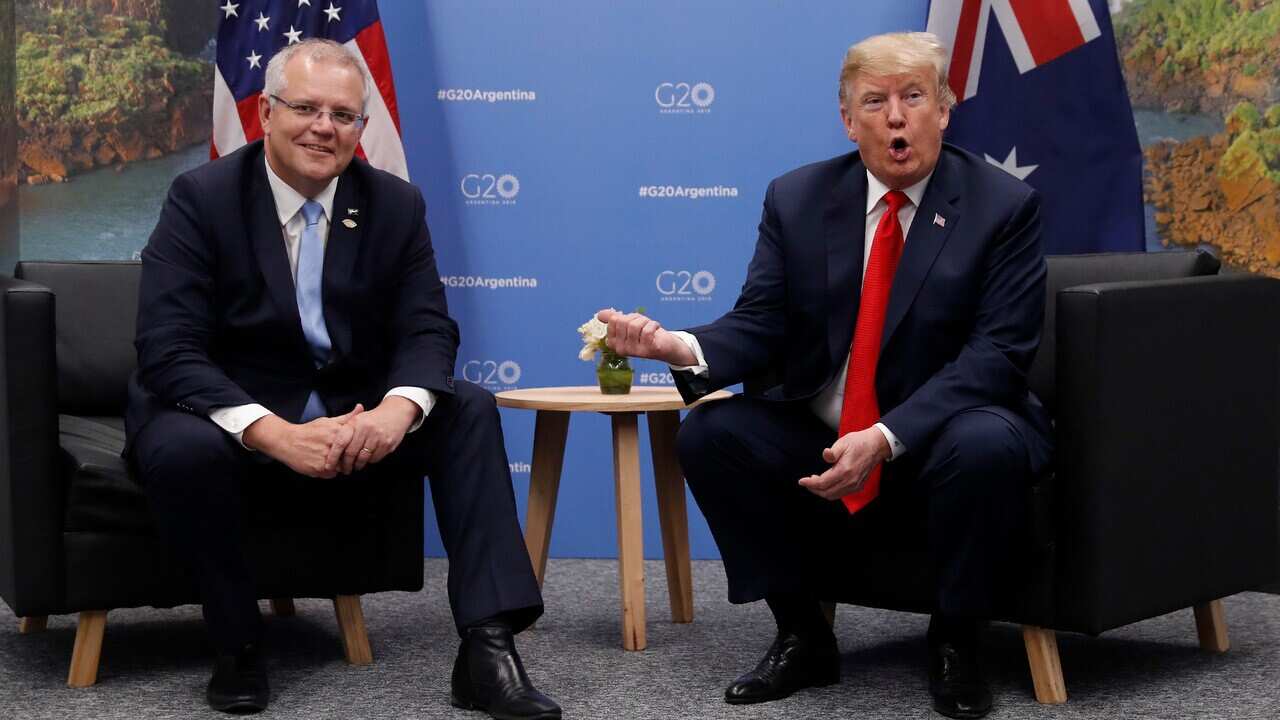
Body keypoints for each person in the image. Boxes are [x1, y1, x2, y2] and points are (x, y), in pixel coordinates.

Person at [597, 31, 1052, 719]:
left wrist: (887, 435)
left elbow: (996, 357)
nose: (896, 118)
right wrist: (676, 346)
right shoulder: (800, 197)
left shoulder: (1002, 207)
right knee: (711, 434)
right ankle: (802, 634)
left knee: (984, 444)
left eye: (913, 98)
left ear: (944, 110)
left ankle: (957, 639)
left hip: (944, 433)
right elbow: (759, 324)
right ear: (848, 119)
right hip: (828, 431)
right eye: (875, 101)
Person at [126, 39, 560, 719]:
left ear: (362, 128)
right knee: (182, 448)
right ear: (265, 112)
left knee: (465, 408)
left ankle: (487, 645)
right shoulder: (201, 196)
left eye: (344, 115)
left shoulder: (393, 204)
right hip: (227, 408)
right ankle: (237, 646)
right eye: (305, 108)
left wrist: (397, 410)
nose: (324, 127)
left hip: (351, 410)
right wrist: (271, 433)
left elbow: (427, 328)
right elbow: (167, 348)